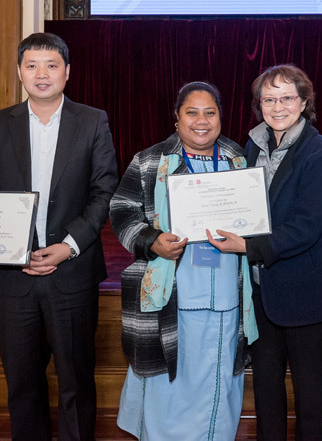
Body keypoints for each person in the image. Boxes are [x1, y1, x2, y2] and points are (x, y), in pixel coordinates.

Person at [0, 32, 118, 441]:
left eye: (51, 65)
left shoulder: (92, 120)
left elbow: (104, 192)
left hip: (72, 272)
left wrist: (68, 247)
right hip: (15, 276)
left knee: (76, 382)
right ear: (19, 72)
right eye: (31, 66)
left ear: (67, 72)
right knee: (22, 384)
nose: (41, 74)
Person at [111, 81, 257, 441]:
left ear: (221, 117)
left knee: (218, 383)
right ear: (176, 119)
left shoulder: (239, 160)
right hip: (171, 296)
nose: (201, 121)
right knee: (168, 387)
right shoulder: (149, 161)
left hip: (226, 297)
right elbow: (121, 210)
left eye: (210, 112)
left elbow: (257, 217)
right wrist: (151, 241)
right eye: (192, 112)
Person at [209, 64, 322, 441]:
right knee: (267, 392)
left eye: (287, 97)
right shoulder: (253, 145)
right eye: (269, 98)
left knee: (310, 398)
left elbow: (307, 226)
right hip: (262, 294)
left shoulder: (319, 152)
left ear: (303, 102)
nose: (278, 106)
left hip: (306, 295)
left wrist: (248, 247)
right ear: (259, 105)